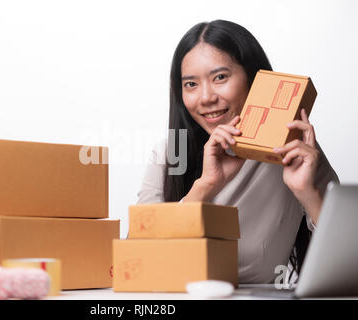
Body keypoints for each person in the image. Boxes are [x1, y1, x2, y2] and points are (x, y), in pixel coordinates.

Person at [136, 20, 339, 284]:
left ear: (255, 79)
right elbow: (137, 258)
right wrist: (206, 186)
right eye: (191, 84)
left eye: (220, 77)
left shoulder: (294, 150)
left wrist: (307, 193)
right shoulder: (170, 151)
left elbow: (348, 260)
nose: (206, 97)